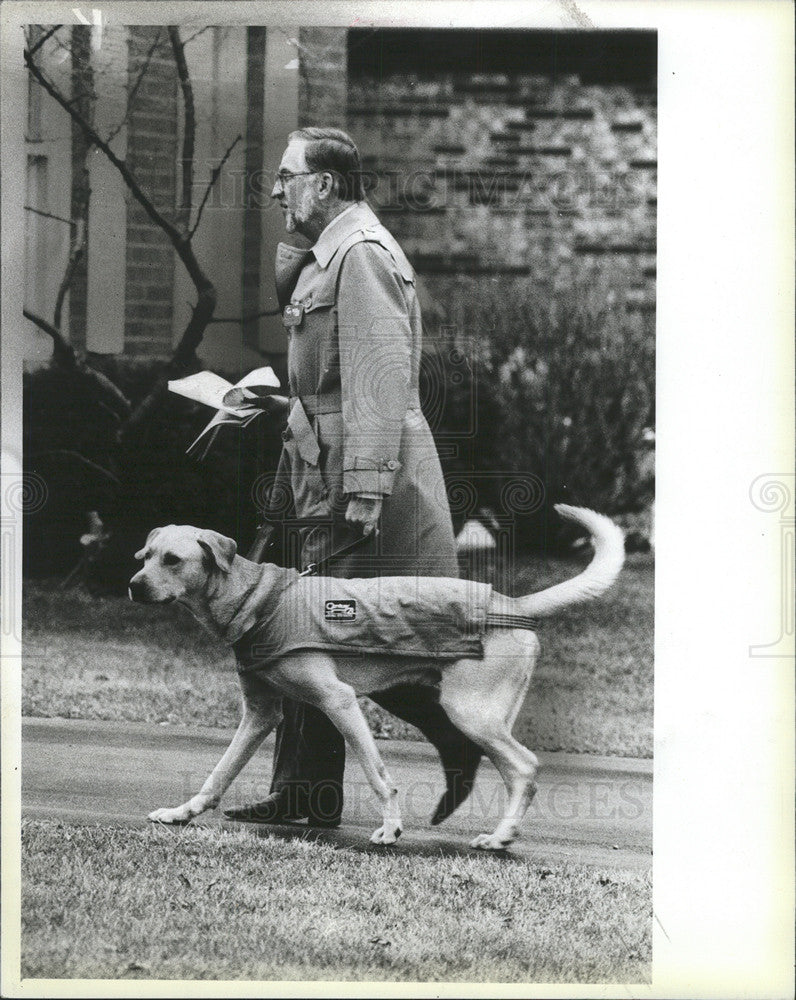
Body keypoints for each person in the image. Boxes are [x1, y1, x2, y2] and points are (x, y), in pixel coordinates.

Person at [225, 127, 481, 828]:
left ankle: (450, 739)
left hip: (353, 473)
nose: (276, 188)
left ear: (326, 184)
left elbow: (377, 374)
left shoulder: (360, 256)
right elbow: (335, 374)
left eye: (287, 175)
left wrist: (365, 485)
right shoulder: (330, 256)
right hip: (322, 461)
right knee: (308, 626)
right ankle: (305, 796)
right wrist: (283, 402)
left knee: (335, 628)